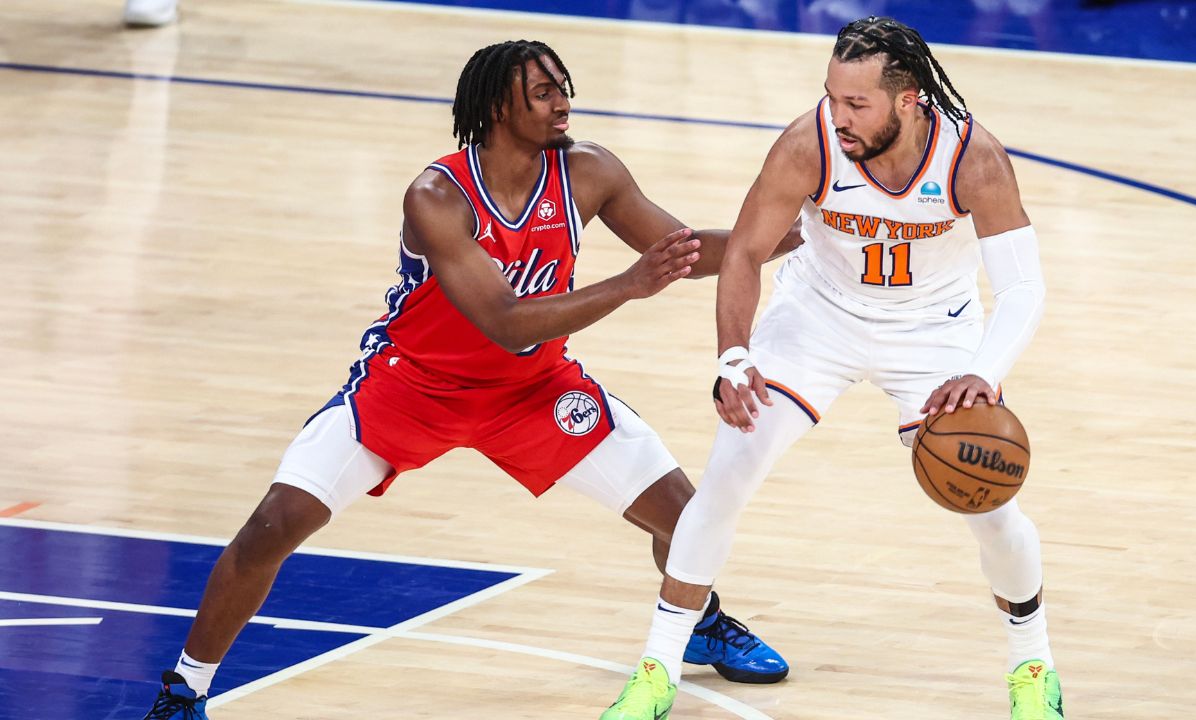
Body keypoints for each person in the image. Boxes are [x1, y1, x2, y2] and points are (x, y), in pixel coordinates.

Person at [140, 40, 799, 720]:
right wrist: (630, 285)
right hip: (413, 386)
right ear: (494, 108)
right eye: (543, 91)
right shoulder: (436, 196)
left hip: (533, 391)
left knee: (687, 517)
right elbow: (507, 321)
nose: (562, 100)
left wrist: (796, 232)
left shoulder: (588, 171)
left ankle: (702, 619)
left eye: (563, 86)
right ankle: (184, 689)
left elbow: (684, 251)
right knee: (274, 524)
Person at [603, 16, 1063, 720]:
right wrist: (733, 358)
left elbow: (1024, 288)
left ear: (907, 99)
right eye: (832, 97)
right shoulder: (808, 143)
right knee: (731, 468)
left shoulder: (973, 158)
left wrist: (985, 370)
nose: (838, 116)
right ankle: (657, 668)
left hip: (930, 332)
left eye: (858, 104)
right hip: (818, 317)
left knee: (992, 505)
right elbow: (748, 253)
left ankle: (1034, 669)